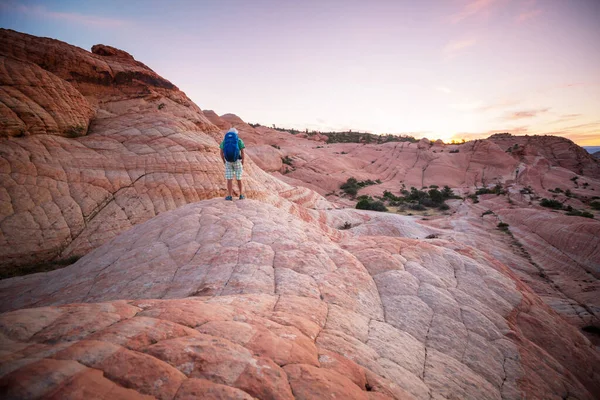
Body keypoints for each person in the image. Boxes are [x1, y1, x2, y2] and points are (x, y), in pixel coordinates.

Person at [220, 127, 246, 200]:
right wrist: (243, 161)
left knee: (229, 179)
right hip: (237, 161)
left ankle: (230, 196)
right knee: (239, 179)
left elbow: (221, 153)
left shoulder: (225, 141)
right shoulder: (239, 140)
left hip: (228, 162)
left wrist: (224, 161)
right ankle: (241, 195)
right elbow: (242, 152)